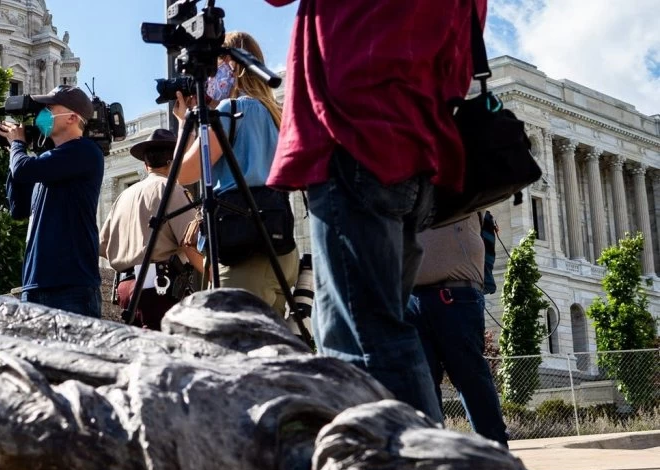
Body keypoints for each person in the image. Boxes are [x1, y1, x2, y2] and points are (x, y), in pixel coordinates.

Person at [258, 0, 487, 421]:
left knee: (364, 337)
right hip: (413, 141)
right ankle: (374, 466)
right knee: (353, 330)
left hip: (357, 134)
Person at [172, 31, 298, 321]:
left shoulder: (233, 110)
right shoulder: (276, 112)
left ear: (231, 65)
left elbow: (185, 172)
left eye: (213, 66)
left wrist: (184, 124)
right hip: (280, 242)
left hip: (243, 245)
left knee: (237, 347)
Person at [0, 85, 105, 317]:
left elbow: (24, 170)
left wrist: (18, 145)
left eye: (50, 108)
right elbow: (18, 208)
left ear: (72, 117)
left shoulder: (85, 151)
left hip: (70, 285)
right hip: (36, 283)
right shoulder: (46, 162)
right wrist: (14, 152)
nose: (43, 114)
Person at [408, 214, 509, 445]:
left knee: (470, 376)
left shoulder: (461, 185)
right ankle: (433, 453)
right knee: (421, 382)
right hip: (410, 296)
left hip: (455, 294)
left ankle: (494, 449)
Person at [99, 129, 196, 329]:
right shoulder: (171, 190)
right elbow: (190, 242)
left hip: (125, 289)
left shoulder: (124, 196)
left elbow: (102, 245)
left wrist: (132, 258)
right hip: (160, 288)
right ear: (173, 161)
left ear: (146, 164)